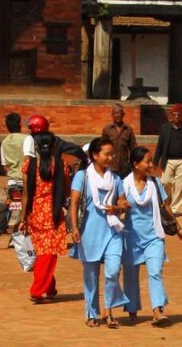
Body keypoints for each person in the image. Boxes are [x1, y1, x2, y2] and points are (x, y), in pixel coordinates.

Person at [69, 138, 130, 328]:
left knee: (113, 271)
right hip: (89, 231)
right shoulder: (82, 177)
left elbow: (123, 202)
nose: (111, 157)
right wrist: (74, 227)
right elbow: (74, 203)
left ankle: (108, 310)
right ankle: (91, 313)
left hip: (112, 230)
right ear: (95, 156)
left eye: (112, 154)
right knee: (91, 276)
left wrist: (119, 208)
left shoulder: (116, 178)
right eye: (107, 154)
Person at [123, 147, 182, 326]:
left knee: (155, 272)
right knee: (130, 274)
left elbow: (165, 208)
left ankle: (157, 310)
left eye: (151, 161)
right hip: (131, 238)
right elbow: (118, 208)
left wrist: (178, 230)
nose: (151, 165)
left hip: (154, 237)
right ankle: (132, 308)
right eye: (147, 161)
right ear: (135, 164)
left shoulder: (156, 184)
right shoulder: (123, 185)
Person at [18, 131, 76, 303]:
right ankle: (37, 290)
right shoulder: (61, 165)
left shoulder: (29, 165)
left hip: (35, 212)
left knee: (42, 252)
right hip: (53, 212)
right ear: (54, 147)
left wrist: (23, 218)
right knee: (47, 254)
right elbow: (65, 189)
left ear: (36, 146)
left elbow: (26, 194)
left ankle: (49, 287)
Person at [0, 112, 25, 250]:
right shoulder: (27, 140)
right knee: (27, 209)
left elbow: (4, 165)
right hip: (26, 182)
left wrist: (13, 173)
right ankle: (16, 236)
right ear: (20, 124)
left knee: (9, 209)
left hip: (12, 182)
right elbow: (32, 160)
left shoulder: (4, 142)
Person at [154, 104, 182, 213]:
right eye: (175, 114)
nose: (177, 116)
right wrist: (155, 162)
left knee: (179, 186)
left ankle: (174, 209)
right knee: (165, 182)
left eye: (179, 114)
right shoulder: (164, 128)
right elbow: (159, 145)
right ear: (171, 115)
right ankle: (167, 202)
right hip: (168, 160)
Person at [101, 103, 138, 177]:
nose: (118, 115)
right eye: (115, 113)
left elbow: (133, 147)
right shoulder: (107, 129)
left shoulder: (128, 129)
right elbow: (102, 148)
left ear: (123, 114)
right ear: (112, 115)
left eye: (120, 113)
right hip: (111, 165)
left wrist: (132, 163)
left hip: (125, 167)